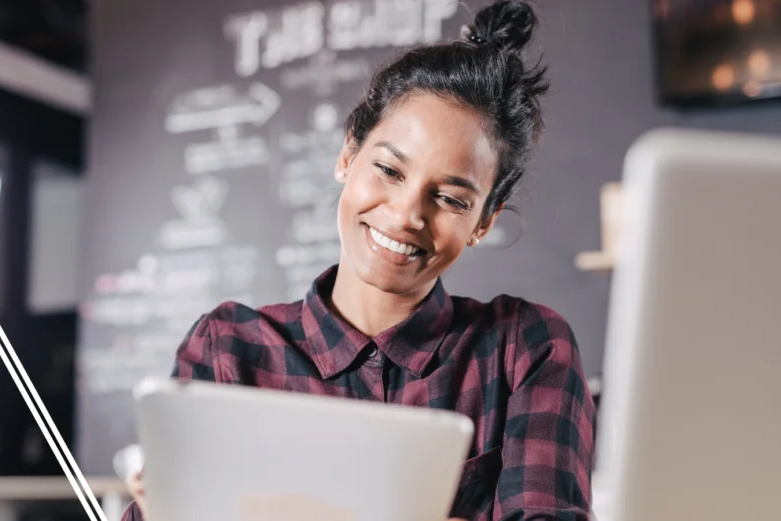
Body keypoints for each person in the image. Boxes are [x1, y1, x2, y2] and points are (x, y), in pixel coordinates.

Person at [122, 1, 597, 519]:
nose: (406, 214)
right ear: (348, 155)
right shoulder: (229, 350)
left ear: (483, 220)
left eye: (452, 199)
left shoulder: (523, 349)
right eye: (390, 171)